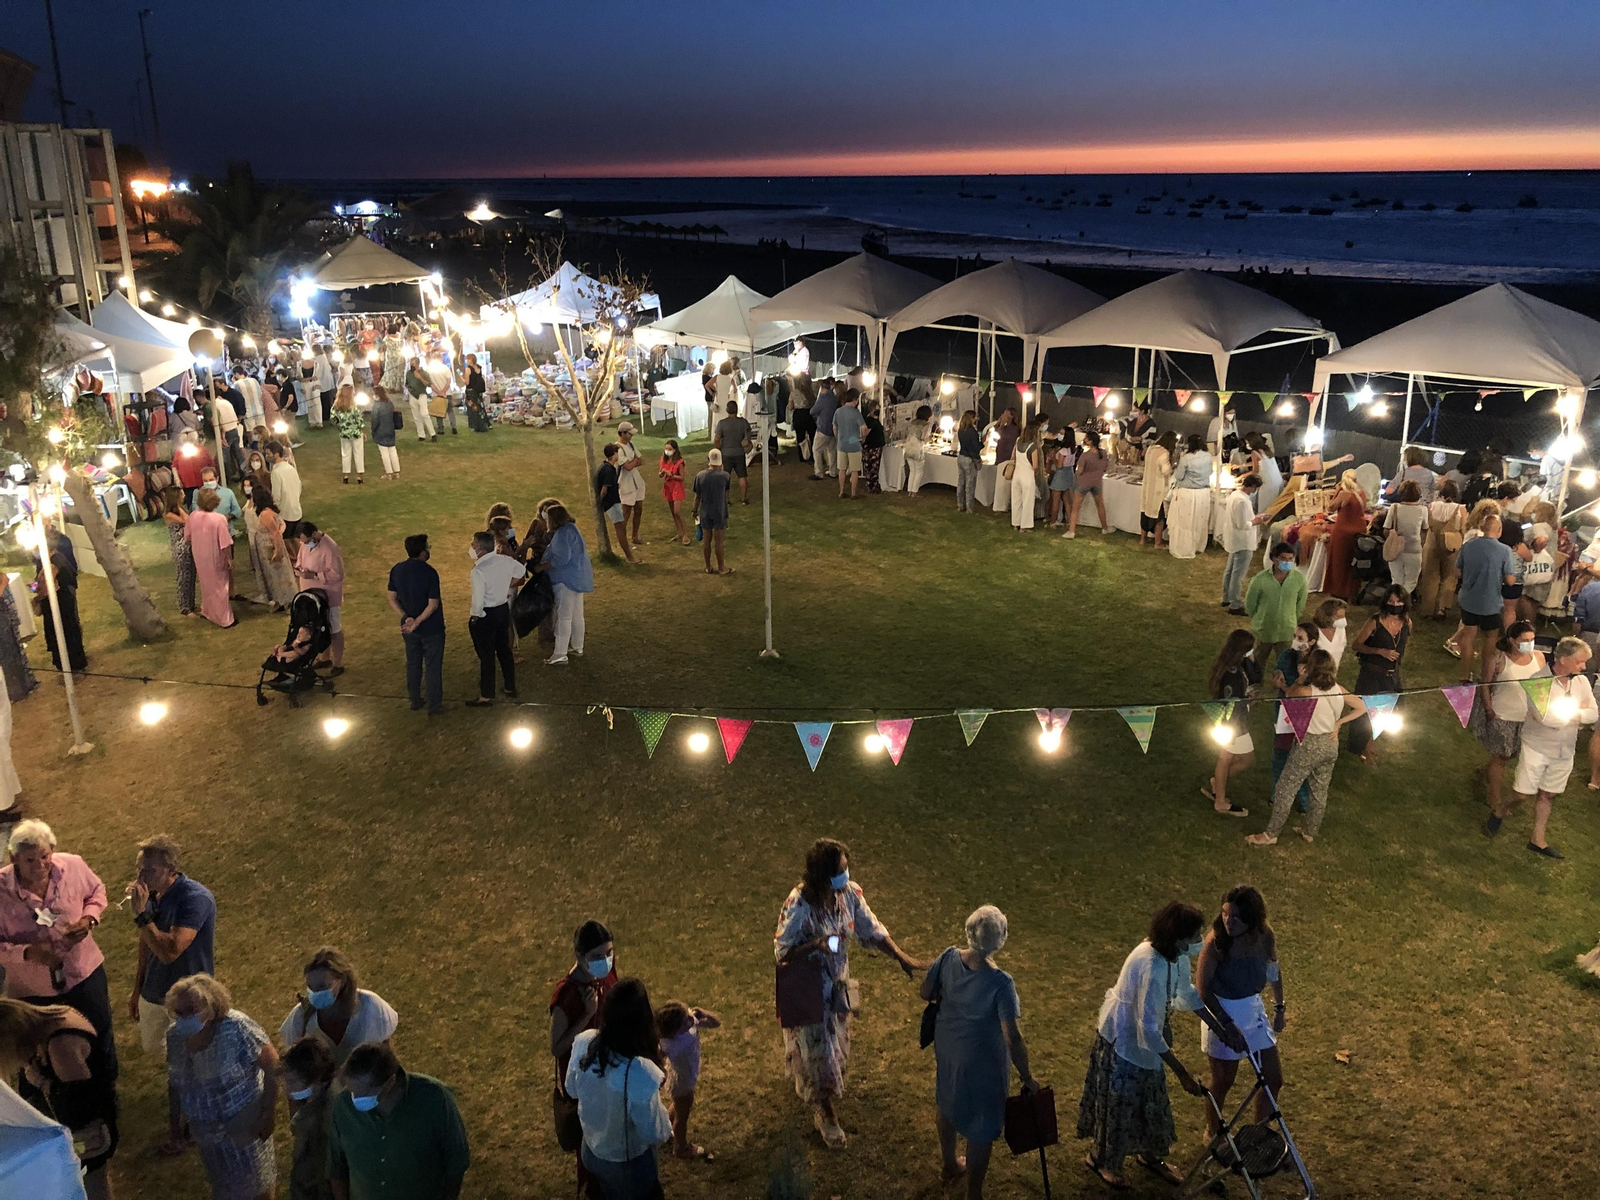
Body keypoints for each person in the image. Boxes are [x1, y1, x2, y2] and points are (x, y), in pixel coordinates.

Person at [773, 838, 924, 1148]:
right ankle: (826, 1114)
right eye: (840, 870)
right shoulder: (800, 904)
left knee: (834, 1044)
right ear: (823, 874)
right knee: (820, 1051)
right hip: (809, 987)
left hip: (837, 984)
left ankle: (823, 1095)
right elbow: (783, 952)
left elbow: (872, 929)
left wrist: (901, 957)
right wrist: (815, 945)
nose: (846, 874)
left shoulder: (848, 895)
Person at [1077, 901, 1237, 1190]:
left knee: (1150, 1100)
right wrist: (1182, 1073)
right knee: (1121, 1103)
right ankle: (1102, 1160)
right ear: (1178, 938)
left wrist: (1218, 1027)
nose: (1199, 940)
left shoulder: (1175, 956)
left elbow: (1185, 992)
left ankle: (1149, 1156)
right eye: (1194, 935)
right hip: (1124, 1042)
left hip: (1145, 1040)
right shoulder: (1151, 966)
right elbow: (1148, 1030)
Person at [921, 905, 1038, 1200]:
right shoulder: (1001, 984)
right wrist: (1027, 1076)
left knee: (947, 1101)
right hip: (982, 1063)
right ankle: (973, 1193)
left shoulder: (948, 957)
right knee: (982, 1127)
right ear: (1000, 940)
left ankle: (950, 1164)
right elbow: (1012, 1037)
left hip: (948, 1048)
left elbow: (925, 992)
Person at [0, 821, 116, 1074]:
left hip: (83, 973)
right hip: (33, 989)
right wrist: (27, 953)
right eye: (30, 860)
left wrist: (88, 919)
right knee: (39, 1055)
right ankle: (50, 1095)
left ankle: (104, 1089)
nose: (40, 866)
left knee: (99, 1035)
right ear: (14, 858)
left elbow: (96, 891)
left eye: (45, 856)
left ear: (52, 850)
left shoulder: (73, 866)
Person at [164, 973, 278, 1200]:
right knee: (224, 1187)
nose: (184, 1017)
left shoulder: (236, 1027)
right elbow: (175, 1082)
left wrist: (268, 1113)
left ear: (211, 1006)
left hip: (245, 1129)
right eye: (179, 1012)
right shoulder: (175, 1037)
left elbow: (272, 1065)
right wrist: (175, 1124)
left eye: (191, 1010)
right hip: (207, 1136)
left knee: (258, 1187)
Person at [1487, 636, 1597, 859]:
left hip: (1565, 749)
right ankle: (1500, 809)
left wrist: (1574, 714)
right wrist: (1579, 714)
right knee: (1522, 794)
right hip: (1537, 747)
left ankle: (1537, 840)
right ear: (1564, 660)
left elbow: (1594, 713)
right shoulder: (1538, 682)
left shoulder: (1582, 682)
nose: (1584, 666)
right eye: (1580, 662)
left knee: (1548, 794)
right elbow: (1544, 718)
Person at [0, 996, 120, 1199]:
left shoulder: (60, 1046)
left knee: (91, 1185)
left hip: (89, 1138)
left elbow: (79, 1106)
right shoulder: (55, 1015)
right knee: (98, 1182)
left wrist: (40, 1081)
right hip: (97, 1127)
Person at [1247, 649, 1367, 846]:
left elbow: (1289, 695)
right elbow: (1361, 706)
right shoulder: (1338, 688)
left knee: (1286, 788)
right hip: (1331, 744)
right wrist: (1339, 723)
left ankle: (1270, 834)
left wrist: (1300, 679)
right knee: (1319, 790)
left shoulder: (1306, 692)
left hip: (1309, 744)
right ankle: (1310, 831)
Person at [567, 978, 672, 1198]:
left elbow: (571, 1089)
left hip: (591, 1150)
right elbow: (654, 1132)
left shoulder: (584, 1042)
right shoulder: (640, 1072)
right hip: (625, 1164)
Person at [1195, 886, 1285, 1141]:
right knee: (1223, 1080)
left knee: (1273, 1078)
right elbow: (1203, 989)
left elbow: (1273, 970)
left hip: (1251, 1008)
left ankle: (1259, 1134)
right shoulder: (1215, 943)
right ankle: (1214, 1133)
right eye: (1225, 914)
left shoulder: (1265, 936)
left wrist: (1279, 1007)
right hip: (1222, 1010)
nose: (1228, 921)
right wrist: (1225, 1024)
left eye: (1236, 917)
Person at [329, 1041, 470, 1200]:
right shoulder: (343, 1106)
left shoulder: (434, 1099)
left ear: (390, 1082)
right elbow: (336, 1167)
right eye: (352, 1091)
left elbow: (456, 1161)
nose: (355, 1100)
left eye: (364, 1094)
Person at [1469, 620, 1547, 822]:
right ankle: (1494, 798)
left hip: (1527, 718)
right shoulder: (1499, 659)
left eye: (1532, 639)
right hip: (1503, 716)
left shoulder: (1539, 658)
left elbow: (1542, 686)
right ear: (1512, 640)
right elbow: (1485, 685)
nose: (1529, 644)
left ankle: (1485, 771)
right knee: (1502, 758)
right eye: (1524, 640)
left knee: (1510, 754)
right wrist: (1489, 710)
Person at [278, 947, 399, 1067]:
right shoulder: (300, 1017)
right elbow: (291, 1064)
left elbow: (387, 1055)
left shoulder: (370, 1006)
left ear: (342, 981)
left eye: (322, 986)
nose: (315, 993)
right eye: (310, 987)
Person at [1345, 585, 1413, 762]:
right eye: (1391, 601)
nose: (1395, 605)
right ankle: (1362, 746)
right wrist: (1379, 651)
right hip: (1371, 674)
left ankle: (1372, 741)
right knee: (1365, 711)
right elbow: (1356, 645)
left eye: (1398, 601)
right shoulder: (1375, 622)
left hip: (1392, 674)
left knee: (1389, 709)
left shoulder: (1407, 623)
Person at [1447, 513, 1518, 682]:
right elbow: (1510, 580)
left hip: (1469, 600)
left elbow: (1456, 571)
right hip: (1490, 603)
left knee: (1468, 636)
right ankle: (1485, 675)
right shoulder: (1505, 551)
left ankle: (1464, 675)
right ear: (1499, 530)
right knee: (1491, 638)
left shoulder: (1468, 546)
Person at [655, 999, 720, 1162]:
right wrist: (702, 1015)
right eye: (685, 1020)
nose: (690, 1018)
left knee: (679, 1105)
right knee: (682, 1116)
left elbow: (715, 1023)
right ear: (676, 1030)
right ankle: (681, 1147)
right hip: (683, 1081)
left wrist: (699, 1014)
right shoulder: (680, 1041)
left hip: (678, 1077)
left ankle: (665, 1129)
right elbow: (715, 1023)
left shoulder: (672, 1036)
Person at [387, 533, 445, 715]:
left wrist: (407, 618)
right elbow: (433, 604)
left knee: (413, 663)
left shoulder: (397, 569)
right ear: (422, 551)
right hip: (432, 628)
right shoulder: (429, 572)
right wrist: (417, 621)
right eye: (427, 547)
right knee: (433, 667)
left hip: (408, 629)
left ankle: (415, 700)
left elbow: (392, 598)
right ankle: (434, 706)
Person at [466, 529, 525, 706]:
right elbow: (521, 570)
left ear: (480, 549)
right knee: (504, 650)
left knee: (486, 656)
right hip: (502, 610)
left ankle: (486, 695)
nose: (471, 547)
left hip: (486, 614)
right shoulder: (505, 560)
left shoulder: (479, 570)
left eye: (473, 545)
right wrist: (505, 585)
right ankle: (510, 686)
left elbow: (478, 600)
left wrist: (475, 617)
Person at [1204, 629, 1259, 817]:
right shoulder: (1233, 673)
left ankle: (1218, 787)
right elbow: (1232, 702)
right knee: (1244, 759)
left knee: (1226, 758)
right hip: (1233, 723)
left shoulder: (1228, 664)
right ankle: (1219, 798)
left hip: (1226, 720)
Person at [1244, 542, 1308, 694]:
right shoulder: (1260, 580)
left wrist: (1291, 619)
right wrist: (1259, 619)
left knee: (1286, 663)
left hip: (1287, 630)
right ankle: (1254, 689)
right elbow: (1250, 604)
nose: (1287, 562)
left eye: (1291, 559)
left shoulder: (1299, 580)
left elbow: (1300, 604)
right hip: (1263, 629)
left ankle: (1283, 690)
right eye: (1283, 558)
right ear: (1273, 558)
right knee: (1258, 662)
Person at [535, 504, 592, 665]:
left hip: (565, 580)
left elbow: (561, 559)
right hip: (578, 577)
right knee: (577, 615)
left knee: (564, 617)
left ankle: (560, 654)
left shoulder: (561, 534)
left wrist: (542, 567)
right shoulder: (573, 529)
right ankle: (578, 646)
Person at [281, 1037, 336, 1200]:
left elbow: (320, 1172)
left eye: (292, 1081)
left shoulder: (322, 1120)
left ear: (316, 1080)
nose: (287, 1088)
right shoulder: (317, 1102)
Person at [294, 521, 346, 673]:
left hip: (328, 596)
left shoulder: (330, 548)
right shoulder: (305, 545)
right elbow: (300, 560)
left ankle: (337, 664)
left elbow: (337, 574)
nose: (305, 544)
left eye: (307, 541)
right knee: (317, 627)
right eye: (303, 542)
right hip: (311, 596)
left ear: (315, 534)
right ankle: (324, 658)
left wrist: (315, 575)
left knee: (334, 628)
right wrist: (299, 569)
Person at [184, 487, 237, 629]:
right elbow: (225, 543)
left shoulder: (192, 516)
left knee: (205, 583)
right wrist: (229, 558)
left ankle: (207, 611)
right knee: (220, 585)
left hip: (199, 554)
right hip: (214, 555)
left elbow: (187, 536)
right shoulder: (219, 519)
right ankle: (224, 618)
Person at [245, 472, 296, 610]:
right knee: (272, 576)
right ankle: (279, 600)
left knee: (279, 577)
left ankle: (287, 603)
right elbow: (281, 525)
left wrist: (277, 550)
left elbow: (274, 532)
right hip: (266, 548)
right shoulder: (269, 511)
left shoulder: (265, 515)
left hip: (270, 548)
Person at [1416, 480, 1466, 618]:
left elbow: (1426, 526)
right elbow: (1464, 528)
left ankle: (1427, 608)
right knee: (1449, 577)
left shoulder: (1431, 506)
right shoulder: (1460, 509)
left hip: (1432, 544)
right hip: (1451, 546)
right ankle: (1441, 608)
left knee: (1430, 577)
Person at [1220, 474, 1264, 614]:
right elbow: (1242, 524)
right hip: (1242, 541)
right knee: (1237, 574)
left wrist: (1254, 518)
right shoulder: (1242, 501)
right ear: (1253, 487)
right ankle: (1235, 604)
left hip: (1235, 539)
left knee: (1230, 571)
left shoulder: (1235, 495)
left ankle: (1227, 597)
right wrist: (1256, 521)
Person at [1323, 471, 1370, 600]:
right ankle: (1352, 589)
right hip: (1359, 530)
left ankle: (1338, 590)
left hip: (1343, 532)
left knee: (1339, 561)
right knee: (1352, 561)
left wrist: (1337, 491)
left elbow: (1330, 508)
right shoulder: (1361, 493)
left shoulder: (1344, 494)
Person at [1167, 434, 1213, 559]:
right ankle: (1197, 545)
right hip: (1203, 493)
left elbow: (1179, 476)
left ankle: (1184, 547)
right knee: (1198, 521)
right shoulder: (1208, 456)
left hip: (1187, 493)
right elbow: (1210, 472)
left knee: (1184, 522)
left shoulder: (1186, 458)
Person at [595, 443, 640, 565]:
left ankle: (629, 555)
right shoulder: (609, 470)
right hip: (612, 503)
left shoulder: (604, 467)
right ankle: (629, 557)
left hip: (612, 502)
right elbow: (604, 489)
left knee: (621, 527)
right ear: (614, 454)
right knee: (620, 528)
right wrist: (600, 502)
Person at [1384, 480, 1430, 596]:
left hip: (1395, 549)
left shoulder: (1394, 507)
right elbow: (1425, 529)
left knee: (1396, 579)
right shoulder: (1423, 510)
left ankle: (1395, 601)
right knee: (1411, 581)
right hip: (1414, 549)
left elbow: (1386, 529)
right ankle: (1404, 601)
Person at [693, 449, 733, 576]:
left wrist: (694, 510)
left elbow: (697, 496)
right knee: (719, 541)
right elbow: (726, 493)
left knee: (707, 540)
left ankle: (708, 566)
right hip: (720, 511)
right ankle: (721, 567)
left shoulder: (700, 476)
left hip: (705, 511)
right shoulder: (725, 476)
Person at [1068, 427, 1111, 538]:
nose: (1084, 440)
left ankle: (1071, 531)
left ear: (1090, 441)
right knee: (1100, 505)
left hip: (1084, 482)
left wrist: (1078, 476)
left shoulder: (1085, 455)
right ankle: (1105, 528)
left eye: (1086, 438)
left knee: (1076, 507)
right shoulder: (1103, 453)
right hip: (1097, 482)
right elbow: (1105, 467)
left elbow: (1079, 470)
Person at [163, 486, 197, 617]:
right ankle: (185, 607)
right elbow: (187, 521)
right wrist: (178, 507)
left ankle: (191, 604)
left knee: (191, 576)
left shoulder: (180, 510)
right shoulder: (169, 515)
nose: (184, 496)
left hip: (188, 547)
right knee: (183, 577)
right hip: (180, 549)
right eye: (181, 495)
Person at [1008, 414, 1045, 532]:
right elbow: (1035, 465)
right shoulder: (1033, 446)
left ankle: (1016, 523)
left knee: (1016, 500)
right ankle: (1025, 526)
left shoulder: (1018, 441)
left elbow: (1013, 457)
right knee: (1028, 501)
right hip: (1027, 475)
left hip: (1017, 474)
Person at [1140, 430, 1176, 549]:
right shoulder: (1164, 453)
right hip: (1158, 488)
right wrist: (1173, 467)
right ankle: (1158, 543)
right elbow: (1166, 471)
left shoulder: (1151, 449)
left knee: (1145, 513)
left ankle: (1143, 539)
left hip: (1147, 485)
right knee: (1159, 516)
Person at [833, 389, 867, 501]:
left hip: (842, 444)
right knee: (854, 470)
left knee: (841, 469)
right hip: (854, 445)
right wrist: (863, 438)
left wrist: (838, 438)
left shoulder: (838, 411)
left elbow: (835, 427)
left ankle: (841, 491)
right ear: (855, 400)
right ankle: (853, 493)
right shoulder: (856, 412)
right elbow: (864, 428)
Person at [330, 385, 366, 485]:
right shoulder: (354, 406)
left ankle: (345, 475)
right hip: (356, 433)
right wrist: (363, 430)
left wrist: (340, 426)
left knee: (345, 453)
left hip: (344, 433)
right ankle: (359, 476)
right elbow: (359, 419)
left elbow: (332, 418)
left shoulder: (336, 406)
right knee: (358, 453)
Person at [658, 440, 690, 545]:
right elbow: (661, 471)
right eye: (666, 449)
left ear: (675, 450)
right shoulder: (664, 459)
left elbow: (682, 477)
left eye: (670, 449)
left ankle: (685, 534)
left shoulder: (679, 462)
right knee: (673, 511)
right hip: (668, 487)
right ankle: (679, 532)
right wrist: (662, 474)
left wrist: (671, 474)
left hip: (676, 486)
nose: (667, 451)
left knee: (677, 511)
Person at [1244, 431, 1284, 512]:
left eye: (1247, 443)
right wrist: (1241, 465)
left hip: (1267, 483)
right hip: (1277, 481)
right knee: (1275, 507)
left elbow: (1255, 470)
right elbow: (1261, 462)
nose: (1247, 445)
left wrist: (1243, 476)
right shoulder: (1266, 450)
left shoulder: (1254, 453)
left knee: (1265, 508)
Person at [369, 385, 401, 479]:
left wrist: (373, 430)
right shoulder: (389, 403)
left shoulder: (376, 406)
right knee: (392, 450)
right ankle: (397, 471)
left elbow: (375, 420)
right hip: (390, 430)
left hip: (380, 431)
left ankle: (388, 472)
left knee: (384, 452)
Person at [810, 378, 839, 480]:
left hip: (823, 428)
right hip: (833, 427)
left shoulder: (823, 398)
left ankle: (818, 473)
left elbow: (812, 411)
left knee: (816, 449)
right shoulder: (833, 397)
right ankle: (833, 471)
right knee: (831, 450)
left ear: (821, 388)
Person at [955, 411, 982, 513]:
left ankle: (960, 505)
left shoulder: (961, 430)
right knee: (970, 484)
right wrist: (983, 443)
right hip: (969, 458)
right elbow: (976, 447)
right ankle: (970, 508)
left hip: (961, 456)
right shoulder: (972, 432)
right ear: (972, 418)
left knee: (961, 482)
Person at [1313, 597, 1349, 668]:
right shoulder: (1313, 631)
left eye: (1343, 616)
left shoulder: (1340, 630)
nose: (1342, 620)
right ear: (1327, 617)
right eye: (1338, 617)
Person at [861, 399, 887, 493]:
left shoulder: (875, 420)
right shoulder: (870, 420)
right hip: (872, 446)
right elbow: (865, 433)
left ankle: (874, 485)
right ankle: (872, 487)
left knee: (875, 467)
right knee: (872, 467)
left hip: (876, 445)